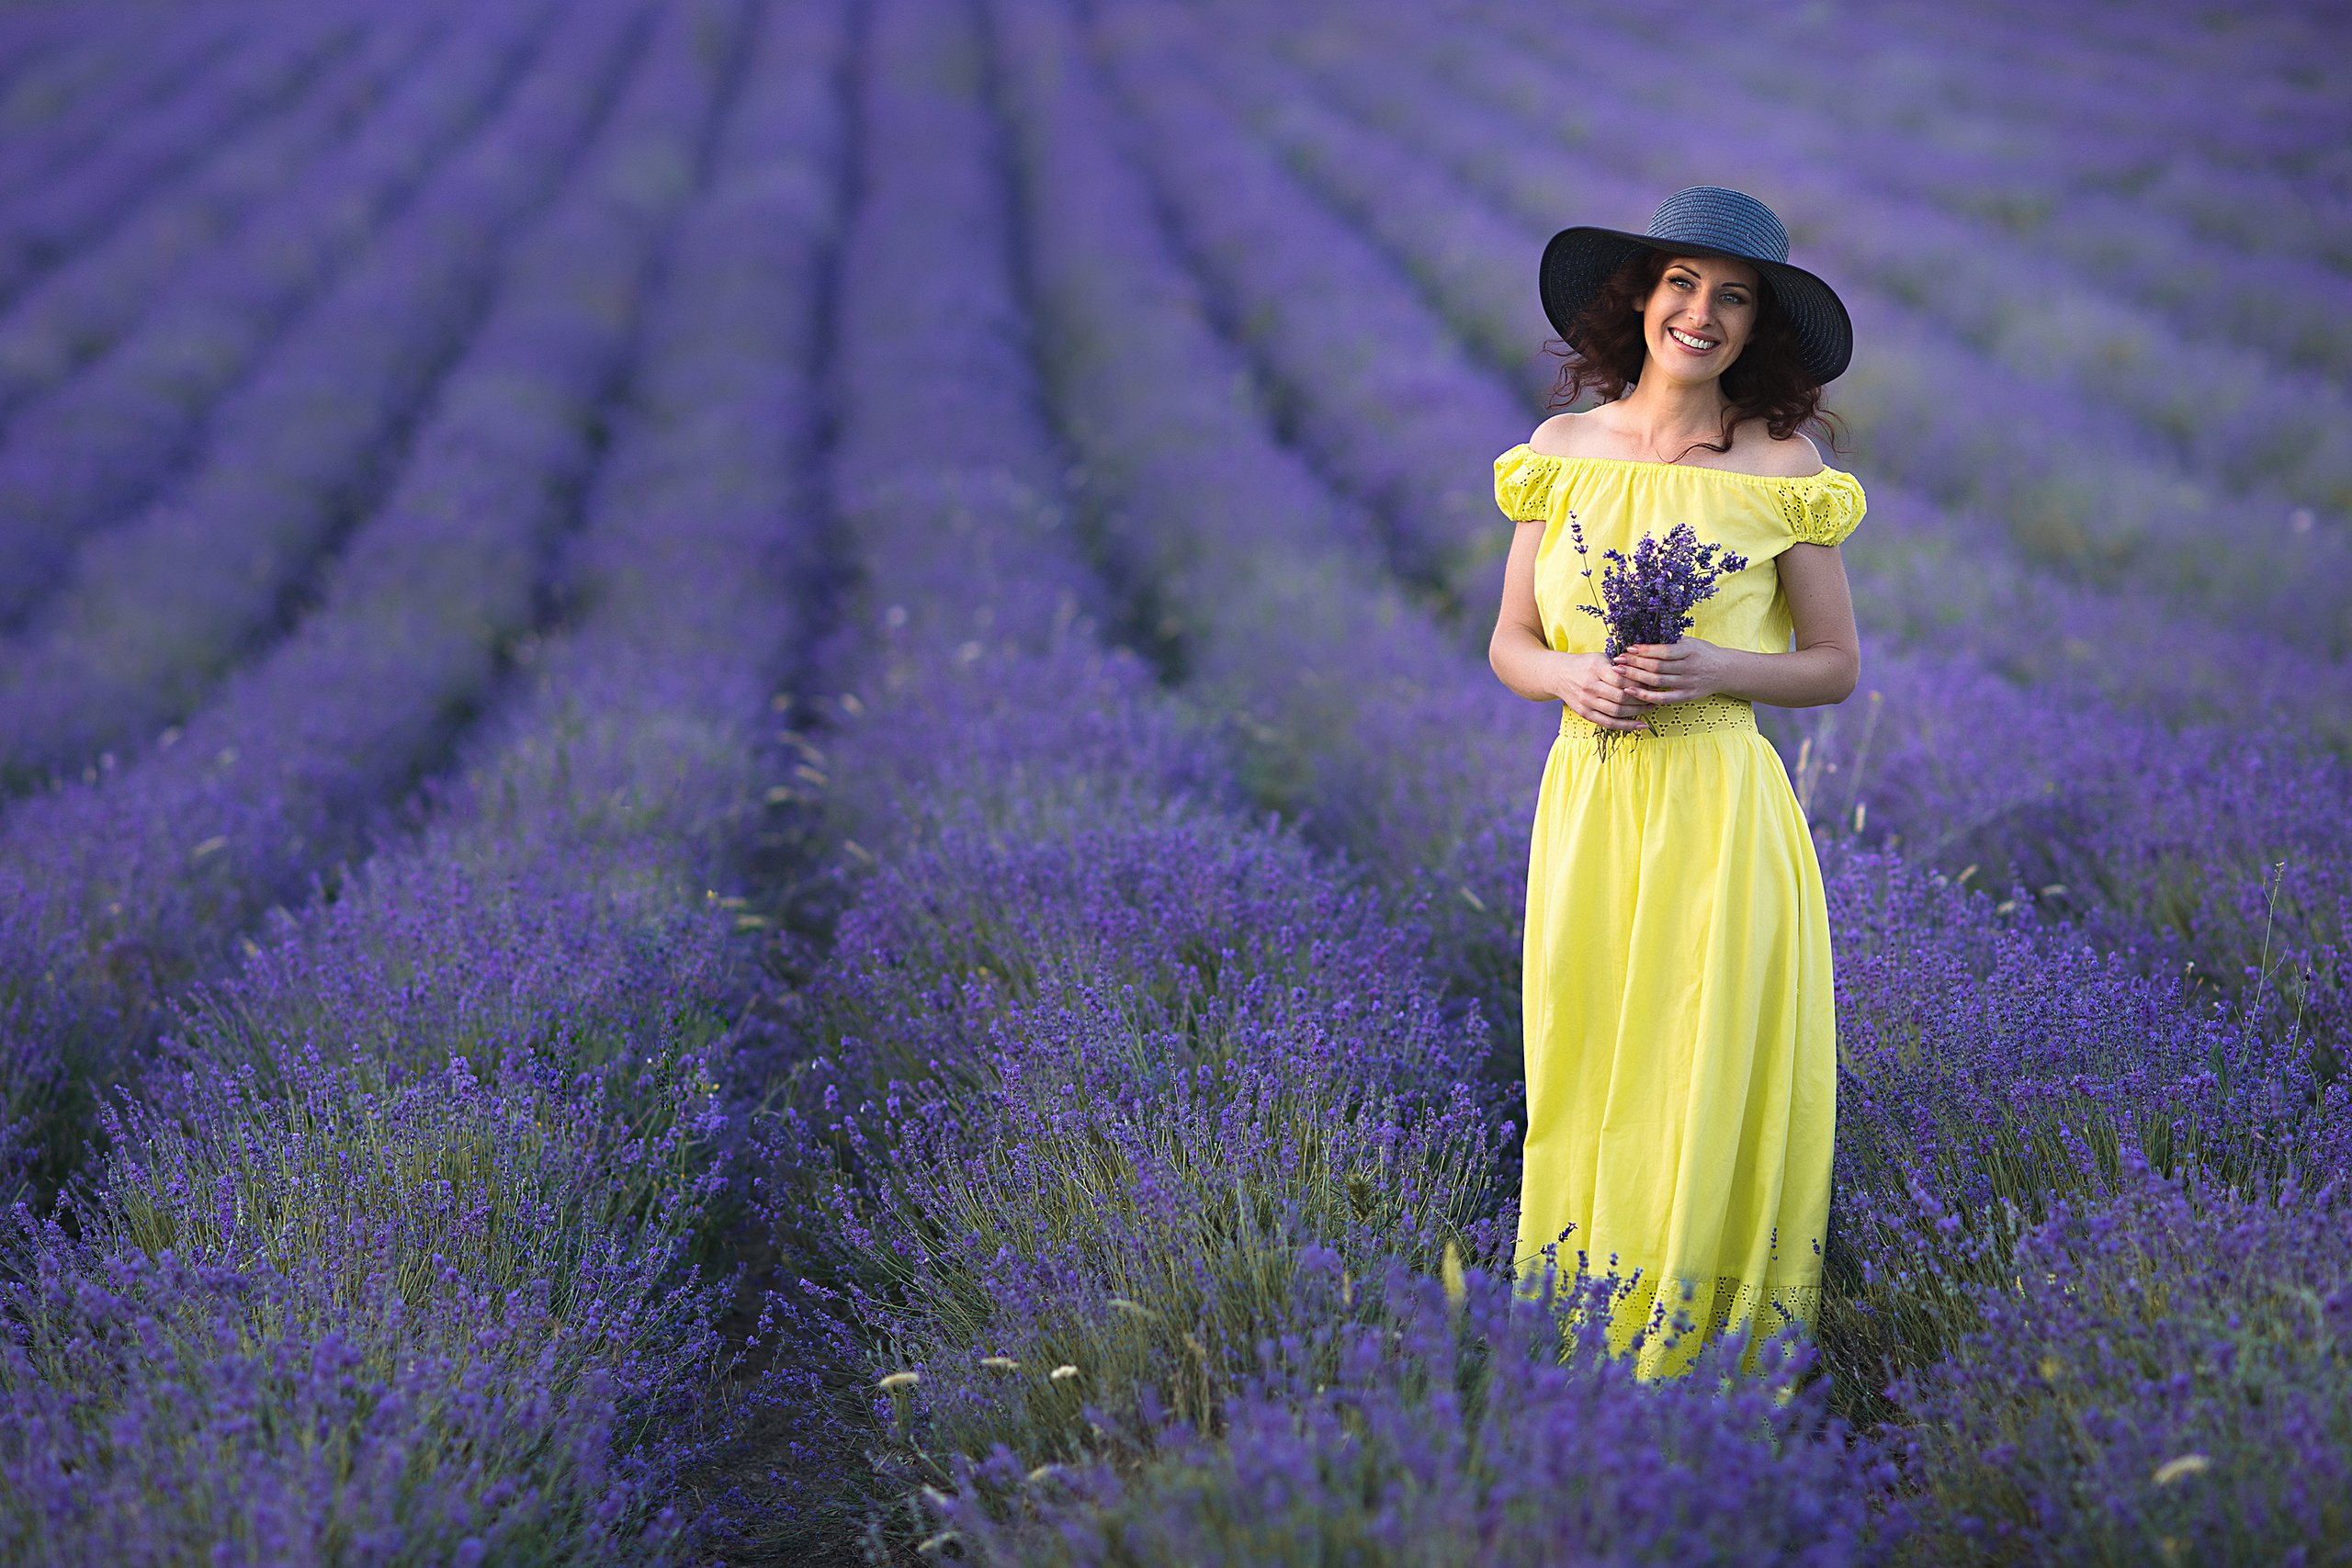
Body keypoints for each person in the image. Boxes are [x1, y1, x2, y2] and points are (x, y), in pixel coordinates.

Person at [1487, 186, 1862, 1377]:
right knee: (1586, 1061)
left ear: (1759, 331)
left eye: (1734, 298)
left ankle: (1698, 1359)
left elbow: (1835, 667)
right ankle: (1579, 1346)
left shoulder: (1781, 469)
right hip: (1590, 804)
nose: (1702, 314)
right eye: (1683, 285)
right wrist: (1568, 678)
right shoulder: (1561, 454)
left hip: (1716, 807)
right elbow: (1508, 641)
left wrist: (1717, 668)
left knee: (1697, 1073)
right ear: (1640, 300)